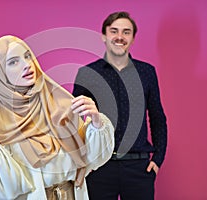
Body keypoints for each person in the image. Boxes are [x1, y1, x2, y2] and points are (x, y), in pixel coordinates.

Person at [0, 35, 114, 200]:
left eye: (27, 56)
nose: (26, 65)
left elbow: (92, 158)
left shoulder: (60, 105)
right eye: (13, 62)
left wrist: (96, 121)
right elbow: (6, 189)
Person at [72, 11, 167, 200]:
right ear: (104, 36)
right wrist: (80, 163)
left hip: (138, 168)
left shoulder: (147, 72)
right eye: (114, 31)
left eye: (126, 32)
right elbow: (72, 122)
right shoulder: (87, 73)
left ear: (132, 38)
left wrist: (157, 160)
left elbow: (157, 118)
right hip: (99, 168)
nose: (120, 37)